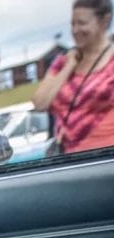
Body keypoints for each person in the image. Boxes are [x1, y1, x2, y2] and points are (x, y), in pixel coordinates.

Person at [32, 0, 114, 154]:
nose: (75, 30)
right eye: (72, 24)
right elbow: (40, 103)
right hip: (70, 159)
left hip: (106, 159)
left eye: (82, 23)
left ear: (105, 21)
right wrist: (69, 67)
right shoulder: (63, 61)